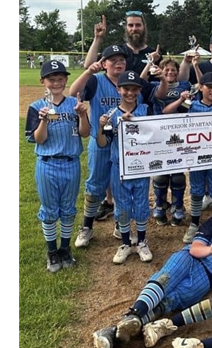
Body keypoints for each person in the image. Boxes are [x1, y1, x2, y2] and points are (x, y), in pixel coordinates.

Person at [92, 192, 212, 348]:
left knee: (170, 302)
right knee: (164, 280)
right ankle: (134, 315)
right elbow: (195, 249)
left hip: (207, 278)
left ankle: (113, 332)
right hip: (190, 259)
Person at [69, 45, 165, 249]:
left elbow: (155, 94)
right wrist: (88, 71)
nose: (118, 62)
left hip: (129, 147)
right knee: (95, 186)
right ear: (104, 64)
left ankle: (119, 226)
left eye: (122, 59)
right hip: (101, 141)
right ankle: (86, 227)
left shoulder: (131, 83)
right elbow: (73, 92)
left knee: (123, 187)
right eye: (113, 60)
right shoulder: (96, 81)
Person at [24, 60, 90, 273]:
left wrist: (81, 115)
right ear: (43, 81)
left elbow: (85, 133)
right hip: (47, 164)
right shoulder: (36, 107)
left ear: (66, 80)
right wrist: (43, 120)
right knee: (50, 210)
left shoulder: (74, 103)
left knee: (68, 210)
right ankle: (52, 251)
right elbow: (39, 139)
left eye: (61, 78)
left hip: (71, 163)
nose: (57, 83)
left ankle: (65, 248)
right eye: (52, 79)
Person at [163, 72, 212, 244]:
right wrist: (181, 99)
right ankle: (194, 223)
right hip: (195, 156)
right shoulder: (191, 105)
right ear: (200, 87)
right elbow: (166, 113)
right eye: (209, 87)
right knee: (197, 190)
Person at [95, 70, 156, 264]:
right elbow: (103, 143)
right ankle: (125, 243)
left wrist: (136, 124)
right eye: (126, 89)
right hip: (119, 166)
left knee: (140, 202)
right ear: (118, 89)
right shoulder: (111, 114)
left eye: (134, 89)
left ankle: (141, 242)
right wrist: (101, 126)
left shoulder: (145, 109)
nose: (130, 93)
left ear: (139, 90)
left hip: (141, 166)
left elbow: (156, 136)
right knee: (121, 205)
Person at [146, 55, 195, 226]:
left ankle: (178, 205)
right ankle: (159, 205)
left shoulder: (185, 86)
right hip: (159, 134)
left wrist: (189, 63)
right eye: (166, 70)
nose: (170, 72)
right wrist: (180, 99)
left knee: (177, 175)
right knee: (160, 172)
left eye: (173, 70)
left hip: (180, 134)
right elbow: (164, 112)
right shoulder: (155, 86)